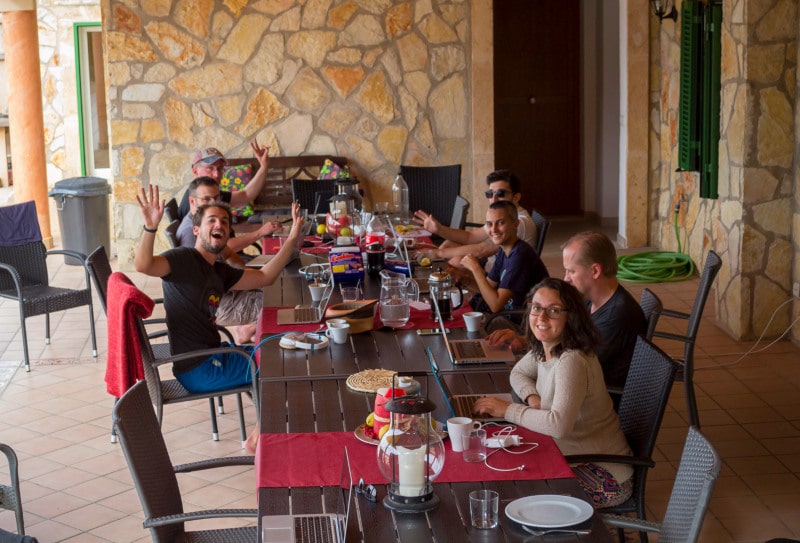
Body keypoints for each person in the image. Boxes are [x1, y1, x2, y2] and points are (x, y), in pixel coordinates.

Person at [135, 184, 304, 452]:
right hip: (198, 368)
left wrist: (292, 238)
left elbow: (265, 277)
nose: (219, 224)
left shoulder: (219, 271)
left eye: (224, 221)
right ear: (197, 230)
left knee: (270, 355)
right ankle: (259, 439)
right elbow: (143, 265)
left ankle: (263, 431)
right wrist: (150, 228)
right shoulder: (182, 260)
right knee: (274, 367)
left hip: (213, 354)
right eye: (211, 220)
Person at [474, 278, 633, 508]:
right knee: (505, 475)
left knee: (521, 498)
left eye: (554, 310)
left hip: (605, 473)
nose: (542, 317)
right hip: (568, 456)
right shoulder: (546, 346)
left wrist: (507, 409)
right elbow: (518, 373)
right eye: (537, 307)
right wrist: (532, 398)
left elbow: (558, 425)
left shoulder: (572, 359)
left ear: (571, 316)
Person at [488, 231, 646, 397]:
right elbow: (566, 340)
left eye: (571, 271)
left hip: (591, 400)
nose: (566, 278)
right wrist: (523, 340)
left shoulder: (618, 316)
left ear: (595, 271)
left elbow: (573, 365)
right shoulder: (589, 299)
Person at [175, 176, 283, 344]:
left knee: (276, 285)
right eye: (206, 199)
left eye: (216, 198)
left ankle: (255, 327)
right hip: (217, 304)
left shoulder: (208, 223)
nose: (213, 203)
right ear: (192, 201)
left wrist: (240, 272)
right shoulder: (193, 233)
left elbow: (229, 255)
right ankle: (250, 330)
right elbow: (202, 287)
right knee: (280, 297)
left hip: (227, 289)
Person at [413, 169, 538, 269]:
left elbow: (481, 250)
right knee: (448, 244)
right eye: (490, 194)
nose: (493, 199)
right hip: (491, 264)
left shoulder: (518, 223)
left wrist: (437, 253)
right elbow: (470, 237)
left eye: (500, 194)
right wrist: (439, 229)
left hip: (499, 276)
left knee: (455, 260)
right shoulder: (502, 216)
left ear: (516, 197)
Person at [460, 200, 548, 313]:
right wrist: (463, 279)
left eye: (500, 223)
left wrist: (476, 268)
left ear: (515, 224)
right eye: (489, 224)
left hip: (522, 319)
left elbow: (495, 305)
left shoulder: (520, 256)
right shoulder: (504, 249)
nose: (494, 230)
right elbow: (488, 286)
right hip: (507, 312)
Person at [176, 140, 271, 219]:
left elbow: (245, 195)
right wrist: (259, 233)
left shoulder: (212, 196)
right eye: (210, 168)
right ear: (195, 172)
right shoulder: (198, 201)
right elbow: (214, 241)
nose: (216, 174)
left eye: (220, 168)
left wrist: (264, 166)